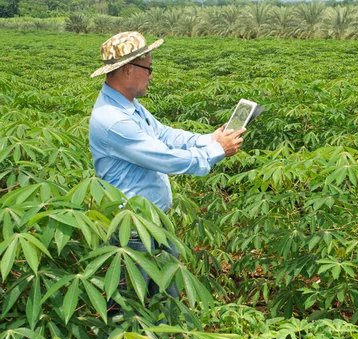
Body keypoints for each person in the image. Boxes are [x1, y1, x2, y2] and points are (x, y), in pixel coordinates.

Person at [89, 31, 244, 318]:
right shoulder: (114, 120)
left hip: (154, 223)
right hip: (132, 232)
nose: (151, 75)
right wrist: (216, 152)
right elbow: (165, 159)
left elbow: (164, 135)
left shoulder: (129, 107)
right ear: (127, 70)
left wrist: (209, 139)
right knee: (127, 311)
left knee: (165, 304)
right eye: (148, 68)